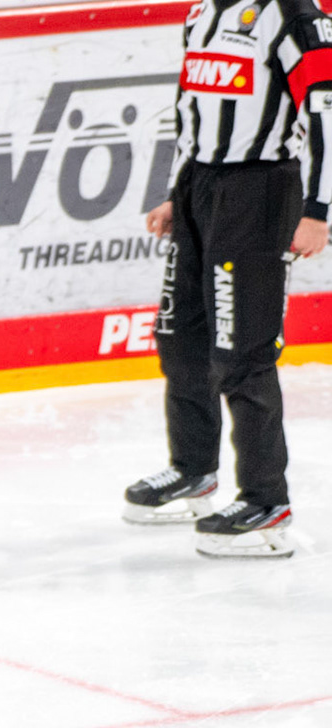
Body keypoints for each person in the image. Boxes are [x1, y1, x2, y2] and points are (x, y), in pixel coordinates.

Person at [124, 0, 332, 558]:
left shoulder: (292, 14)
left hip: (259, 192)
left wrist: (320, 210)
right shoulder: (200, 13)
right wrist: (176, 191)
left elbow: (327, 110)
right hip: (200, 187)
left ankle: (267, 500)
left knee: (241, 352)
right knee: (180, 335)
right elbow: (190, 108)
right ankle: (193, 469)